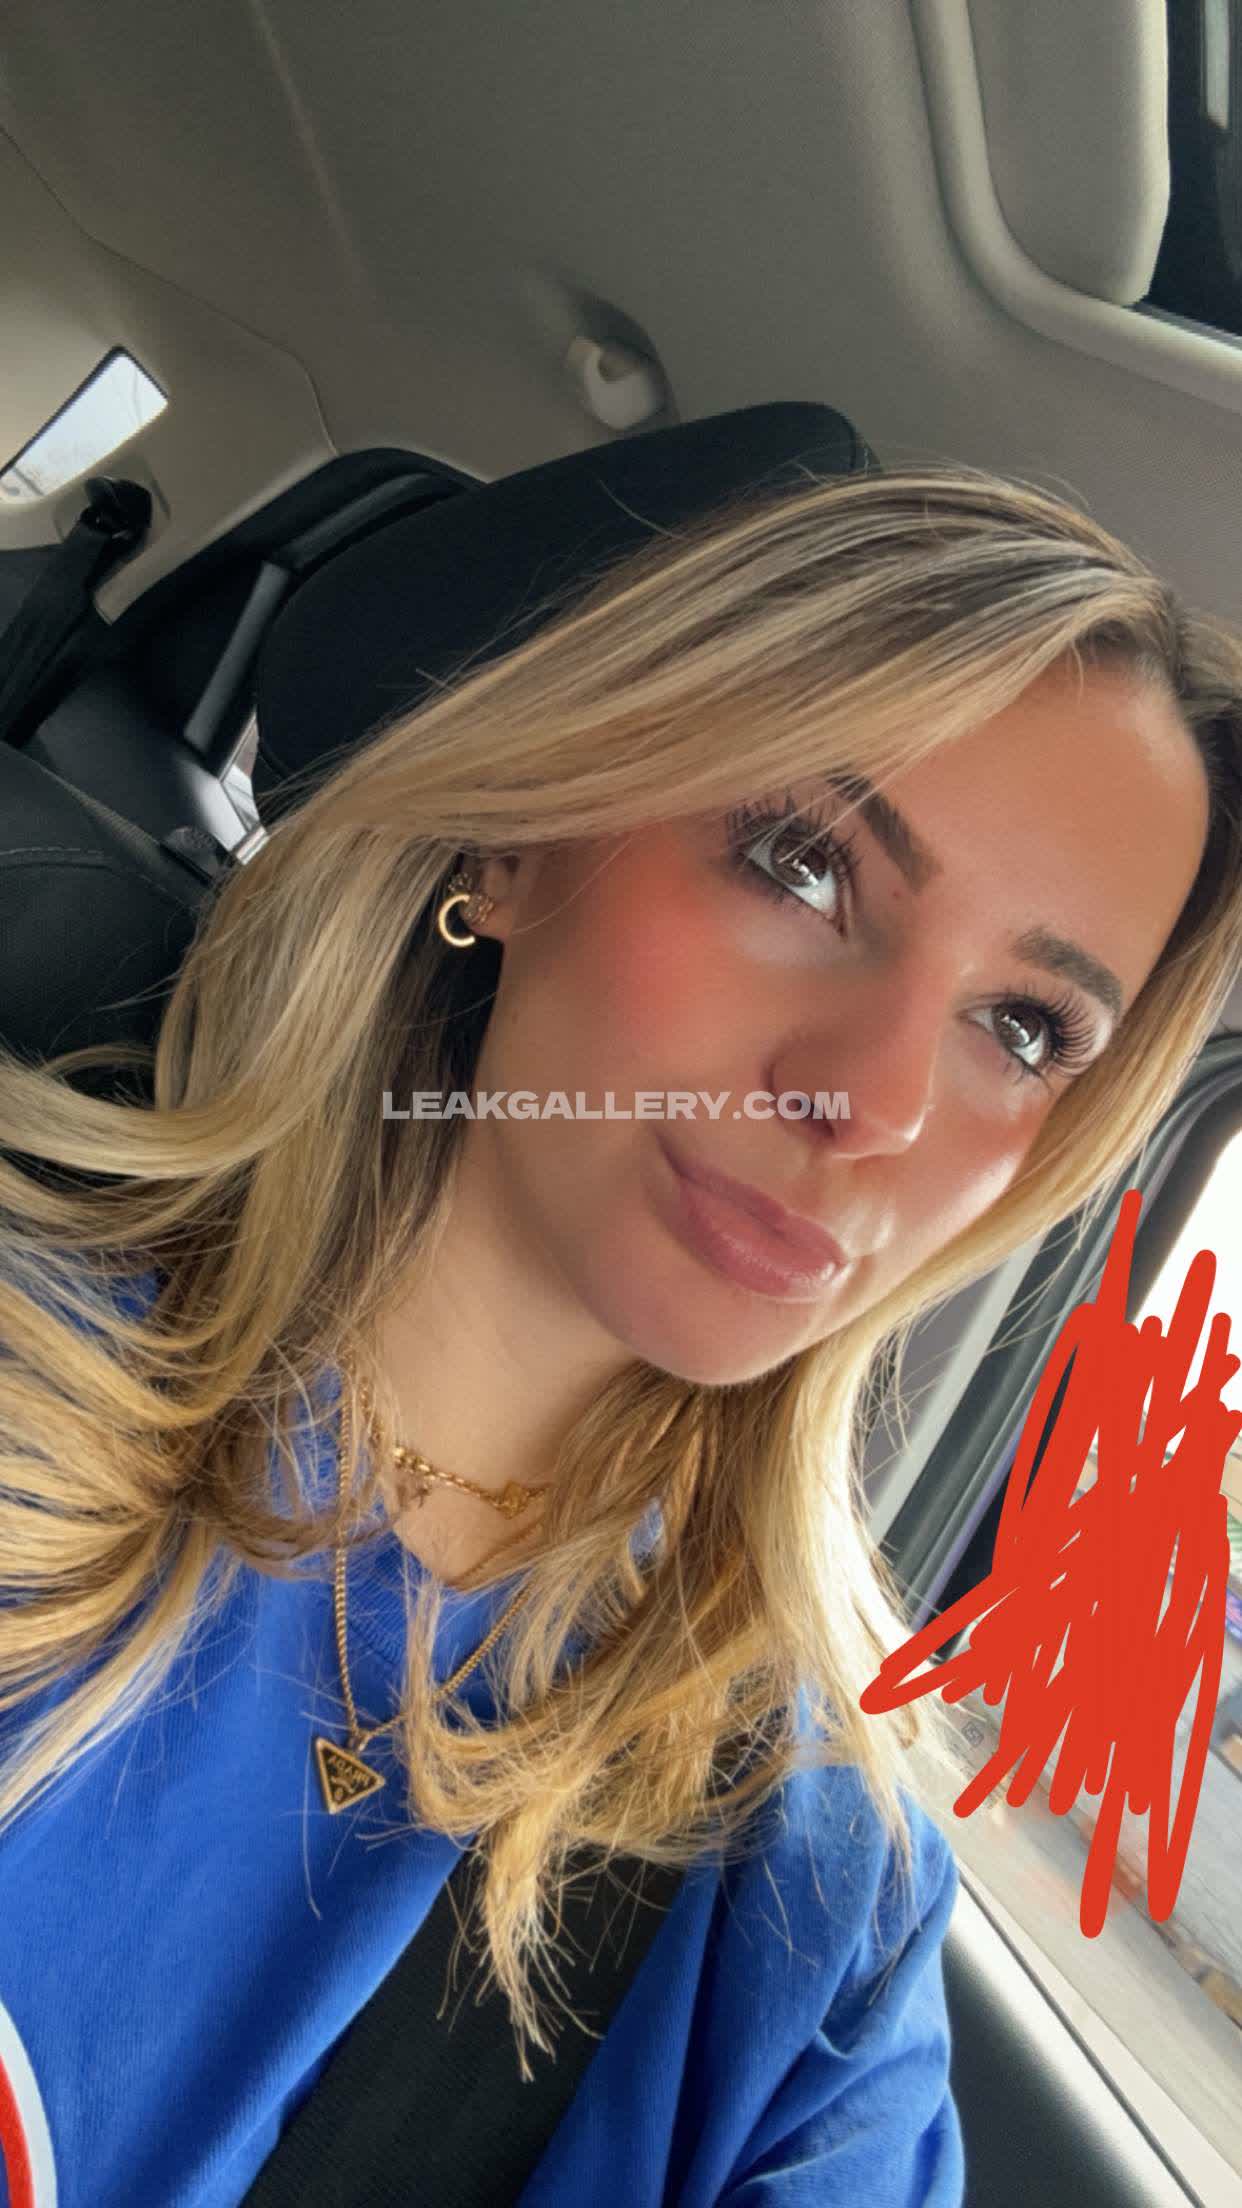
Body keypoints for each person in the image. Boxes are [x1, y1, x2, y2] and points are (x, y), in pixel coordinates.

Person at [0, 461, 1239, 2208]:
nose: (875, 1101)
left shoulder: (807, 1896)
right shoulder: (32, 1387)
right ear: (519, 843)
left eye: (1022, 1029)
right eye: (802, 866)